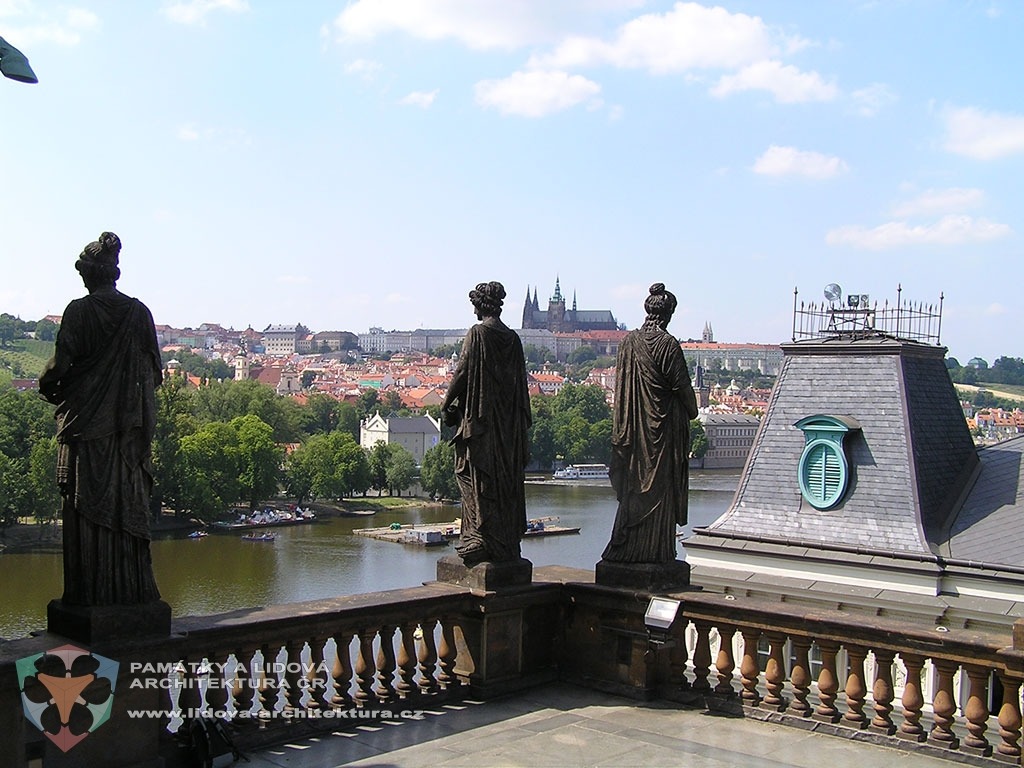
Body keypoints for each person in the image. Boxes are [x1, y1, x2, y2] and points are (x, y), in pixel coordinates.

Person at [39, 232, 164, 606]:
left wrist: (45, 384)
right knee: (125, 503)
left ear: (89, 274)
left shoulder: (79, 311)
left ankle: (88, 595)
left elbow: (61, 364)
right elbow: (153, 374)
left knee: (84, 505)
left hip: (86, 428)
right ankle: (130, 593)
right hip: (125, 434)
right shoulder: (138, 313)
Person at [601, 283, 698, 564]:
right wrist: (691, 410)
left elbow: (621, 391)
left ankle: (626, 548)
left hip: (633, 433)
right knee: (659, 491)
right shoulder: (668, 345)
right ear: (668, 314)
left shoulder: (628, 342)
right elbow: (684, 391)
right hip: (662, 434)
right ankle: (656, 552)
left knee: (633, 489)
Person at [441, 281, 531, 565]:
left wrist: (446, 404)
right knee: (504, 481)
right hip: (508, 427)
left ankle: (478, 537)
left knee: (471, 474)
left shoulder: (478, 334)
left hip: (481, 424)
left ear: (481, 305)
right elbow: (521, 388)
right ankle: (504, 541)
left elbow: (463, 370)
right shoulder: (513, 339)